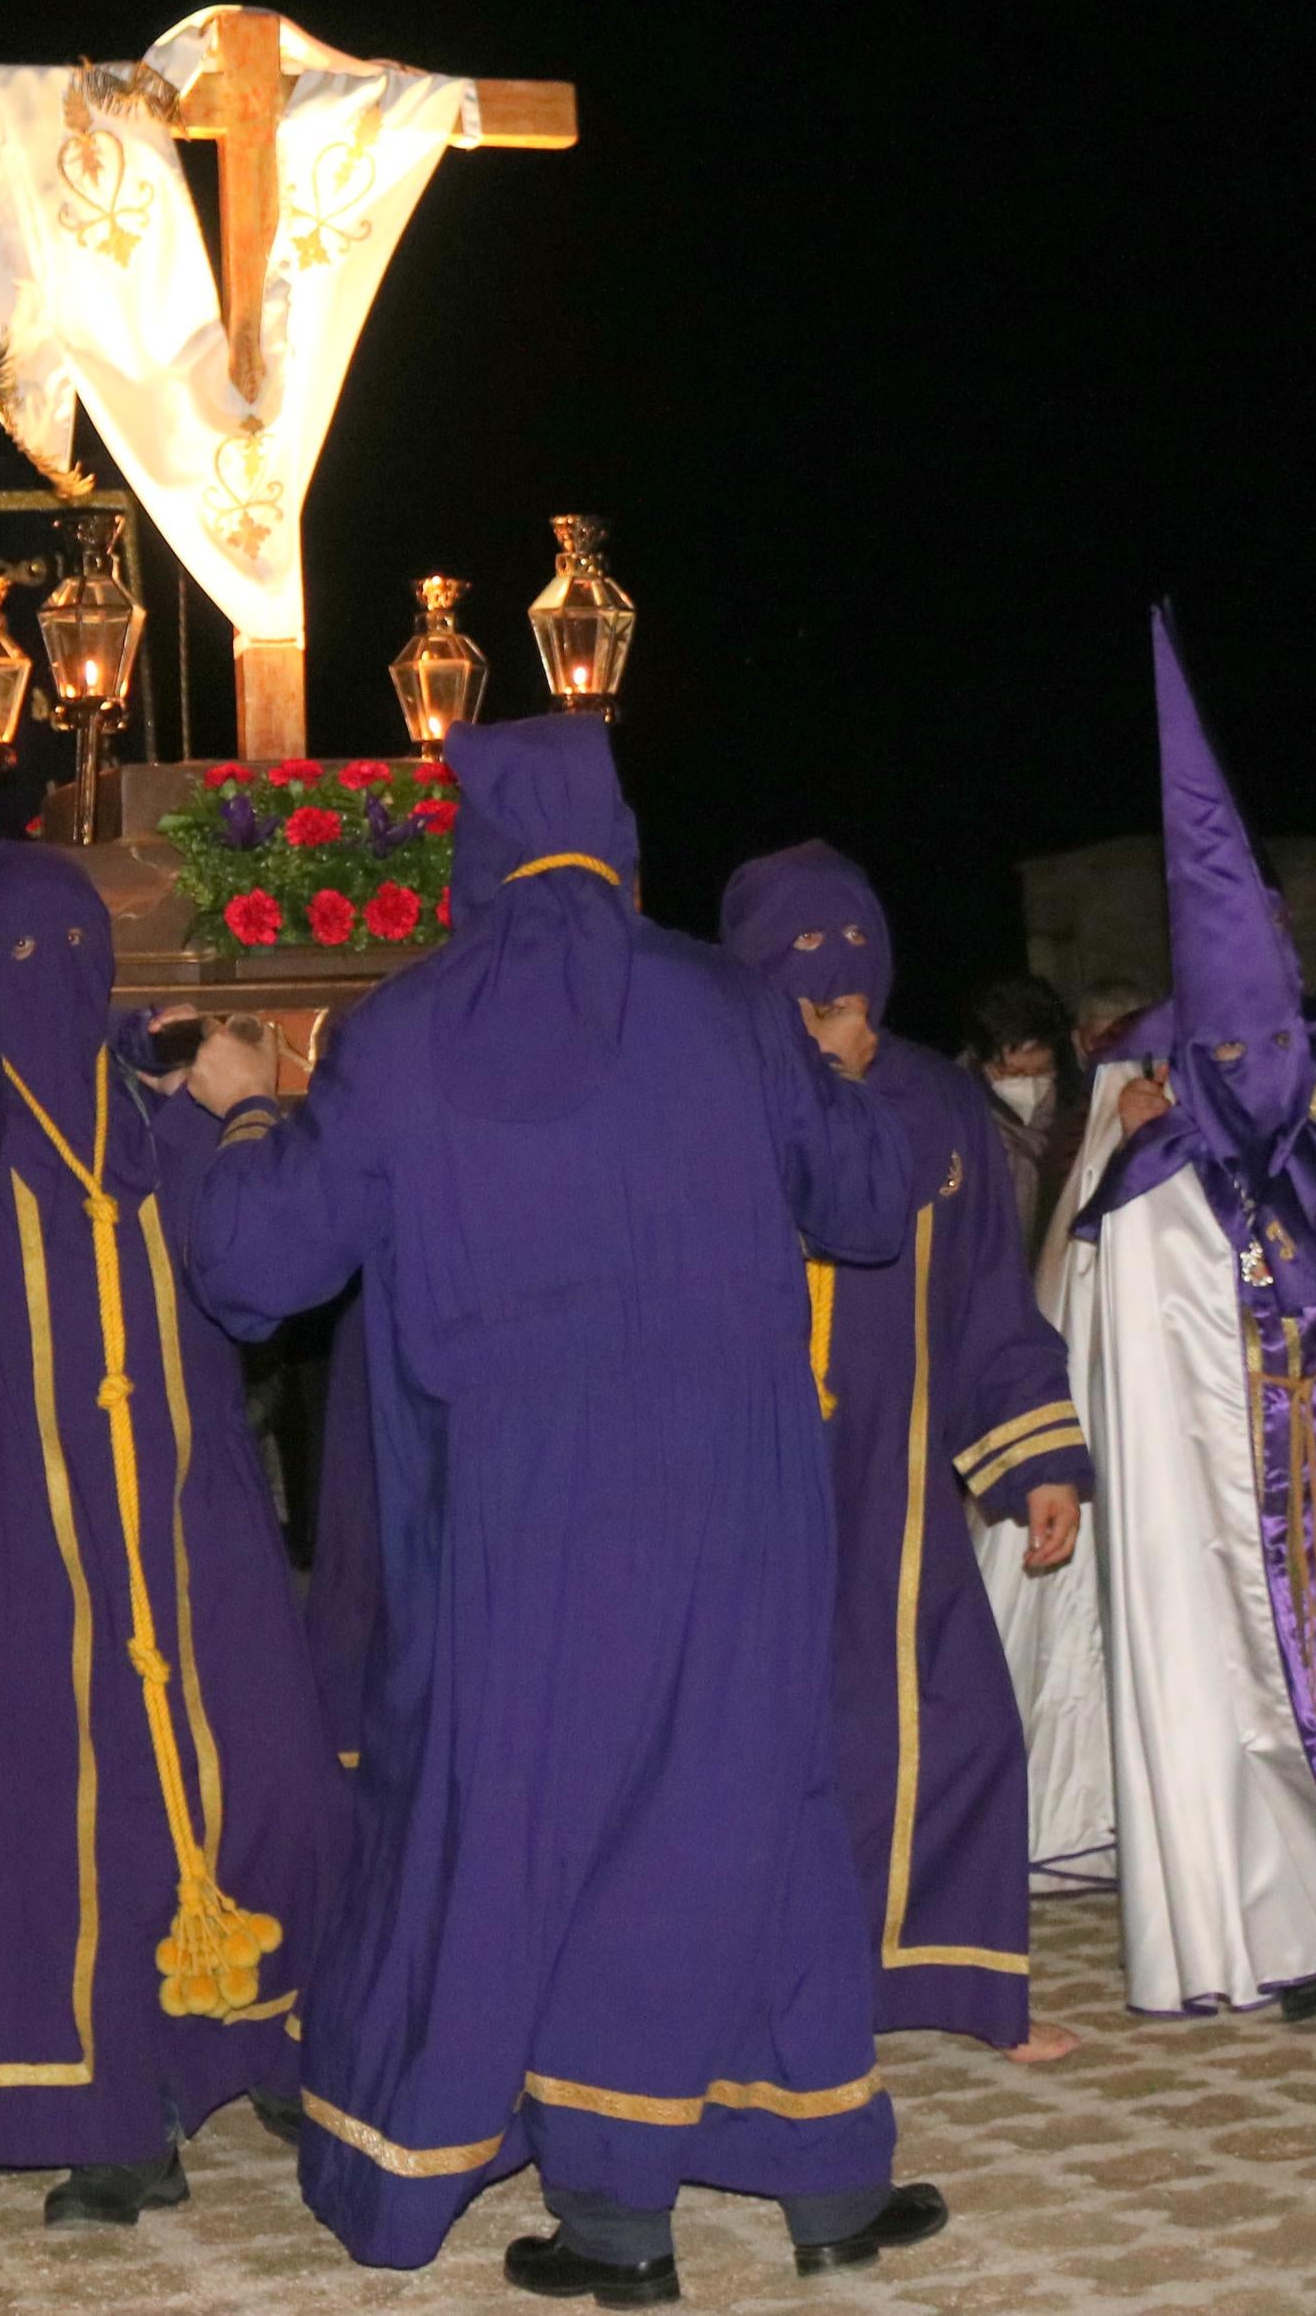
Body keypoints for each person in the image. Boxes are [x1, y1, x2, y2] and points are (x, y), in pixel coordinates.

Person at [182, 716, 944, 2306]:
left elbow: (260, 1264)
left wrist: (240, 1109)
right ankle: (819, 2178)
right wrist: (847, 1077)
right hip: (736, 1491)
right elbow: (868, 1202)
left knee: (537, 1817)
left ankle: (618, 2219)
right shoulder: (728, 1006)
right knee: (750, 1798)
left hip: (519, 1513)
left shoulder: (398, 1032)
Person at [0, 843, 346, 2225]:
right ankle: (116, 2118)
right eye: (12, 956)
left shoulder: (156, 1128)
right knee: (62, 1818)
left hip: (191, 1533)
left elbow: (262, 1287)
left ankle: (267, 2034)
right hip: (25, 1546)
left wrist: (239, 1112)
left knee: (264, 1773)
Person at [1049, 610, 1316, 2021]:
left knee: (1303, 1685)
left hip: (1313, 1479)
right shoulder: (1140, 1147)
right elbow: (1082, 1306)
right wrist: (1104, 1166)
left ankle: (1313, 1910)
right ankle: (1258, 1922)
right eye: (1233, 1041)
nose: (1258, 1062)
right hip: (1190, 1502)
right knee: (1215, 1687)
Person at [725, 847, 1091, 2069]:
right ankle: (750, 1993)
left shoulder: (935, 1108)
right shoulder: (711, 1106)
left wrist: (1037, 1456)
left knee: (959, 1729)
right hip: (742, 1494)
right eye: (817, 1009)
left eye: (862, 1002)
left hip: (895, 1499)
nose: (848, 1030)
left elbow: (990, 1296)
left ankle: (957, 1983)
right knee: (766, 1741)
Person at [957, 970, 1090, 1253]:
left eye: (1041, 1072)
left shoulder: (1080, 1101)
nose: (1028, 1084)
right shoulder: (954, 1108)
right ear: (983, 1059)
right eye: (1013, 1073)